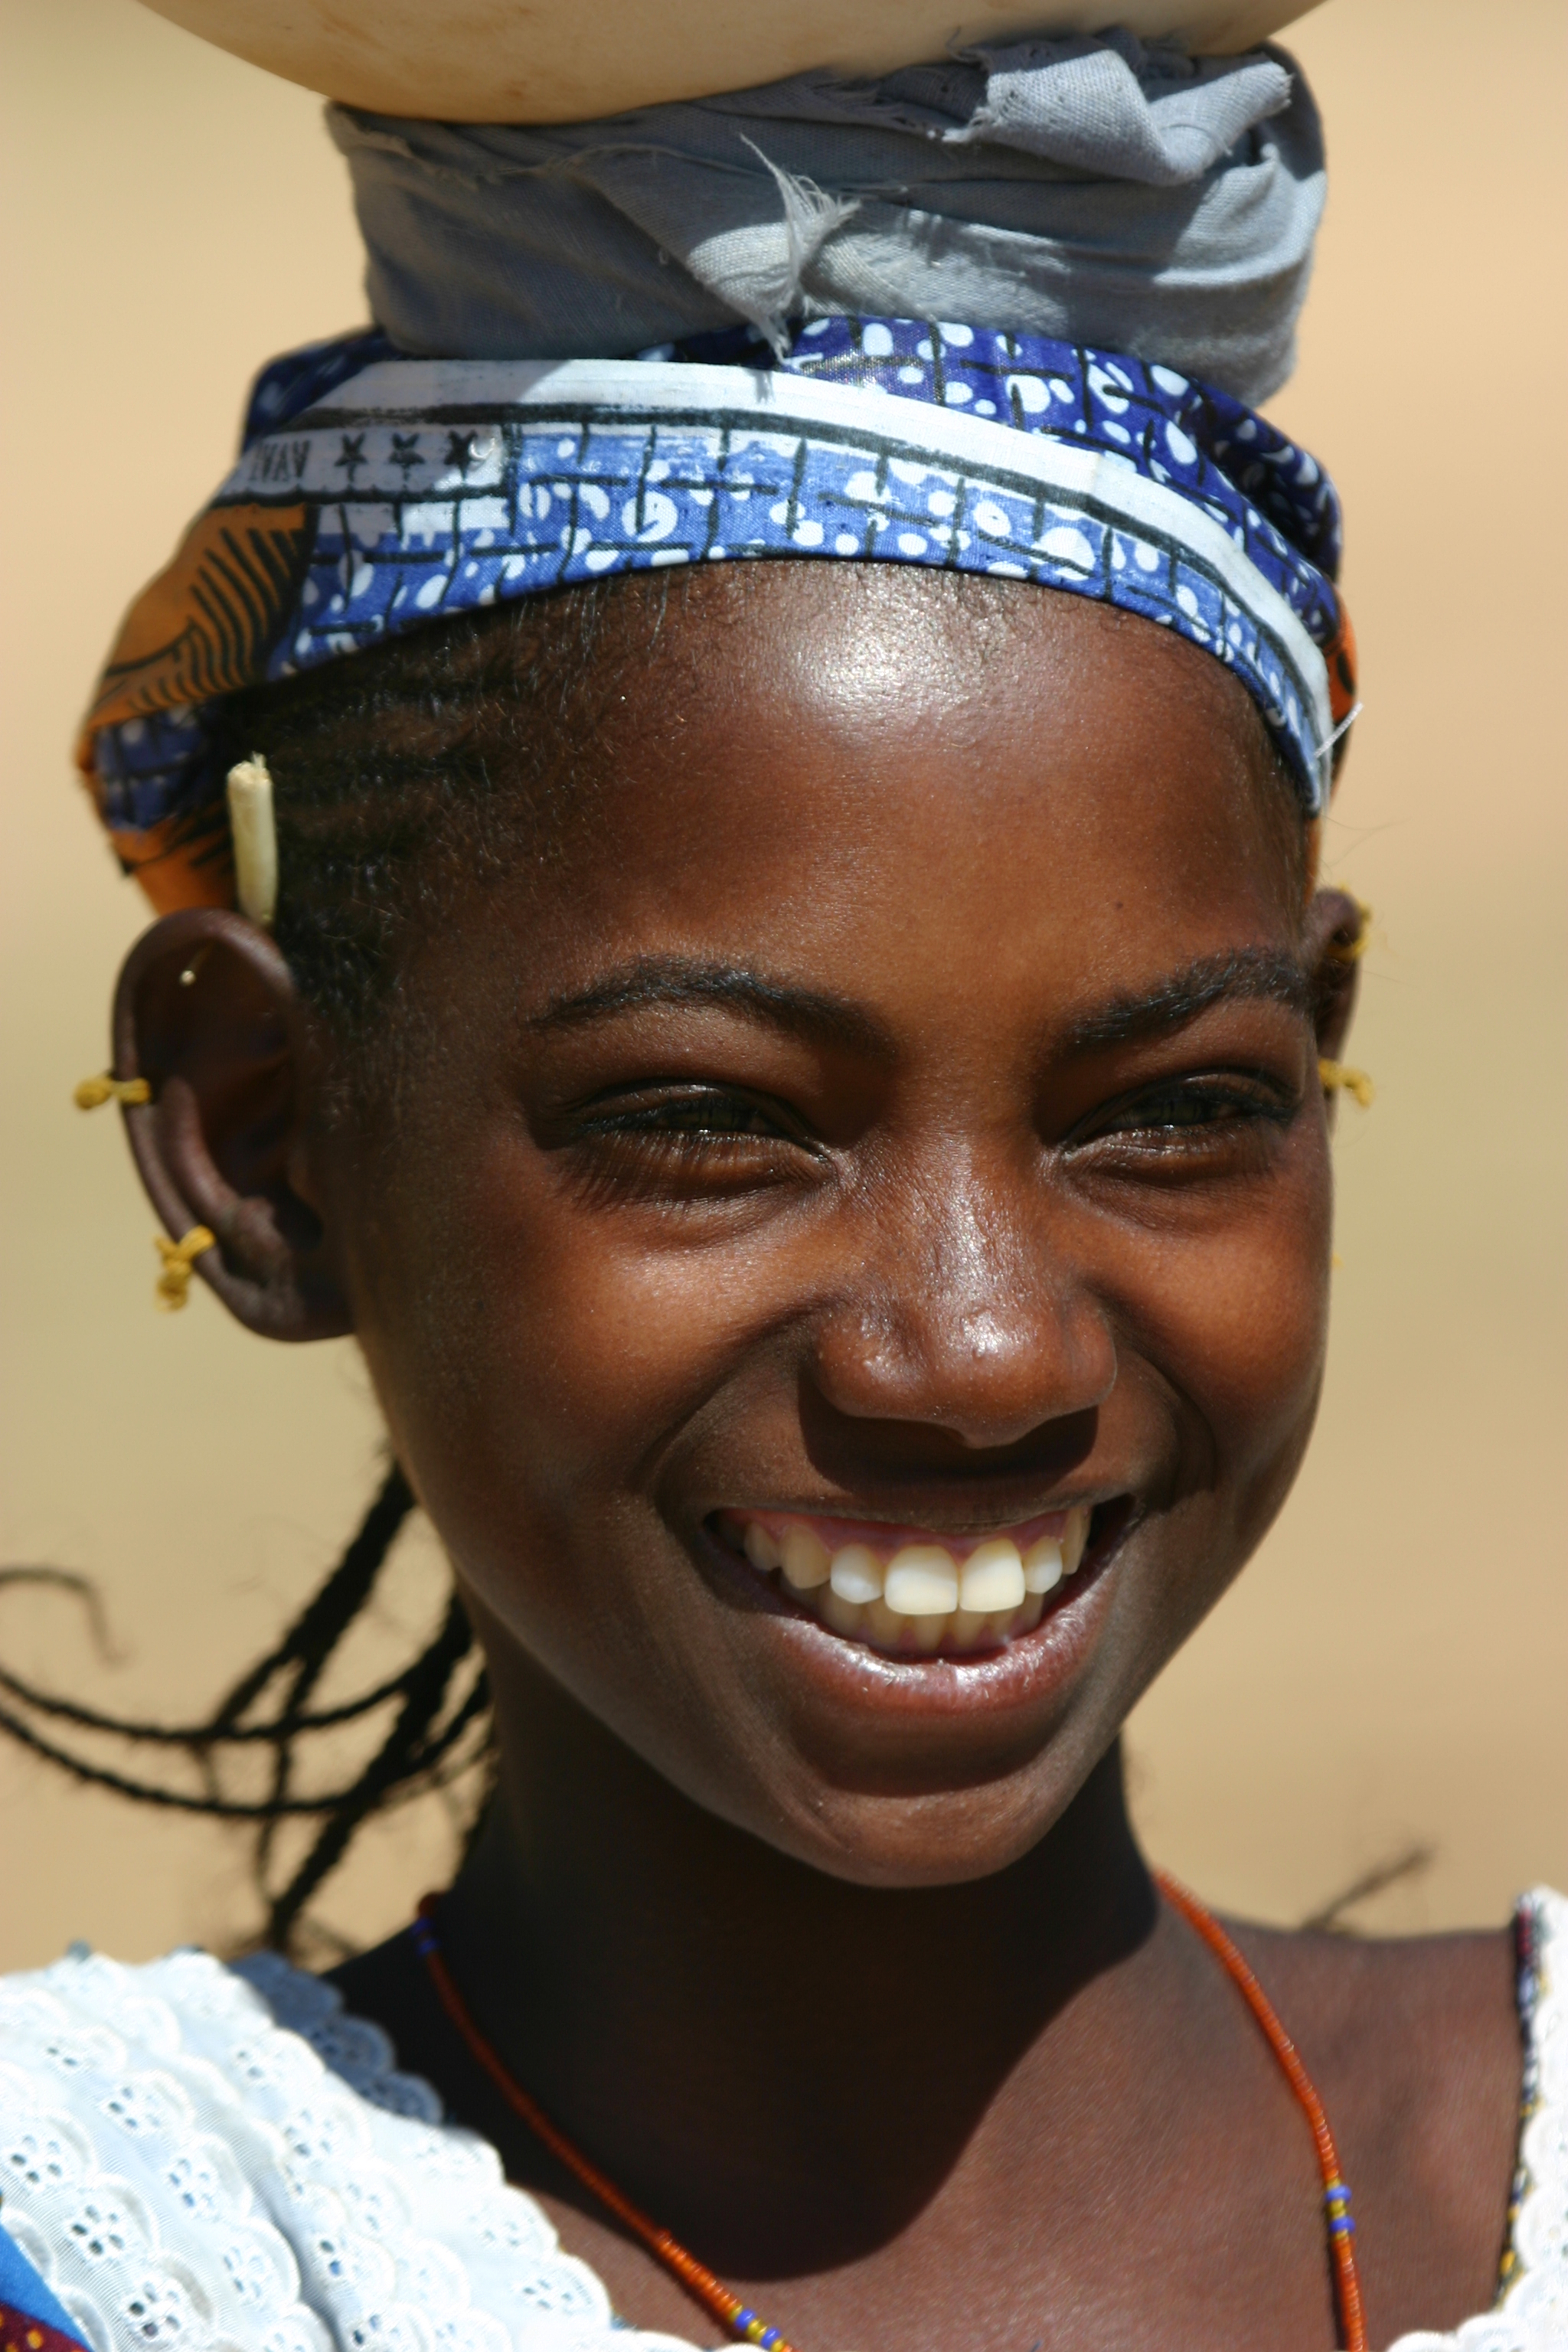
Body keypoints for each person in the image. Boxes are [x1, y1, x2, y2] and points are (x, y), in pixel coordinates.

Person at [0, 17, 1561, 2352]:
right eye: (713, 1122)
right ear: (263, 1137)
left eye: (1171, 1111)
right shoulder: (150, 2255)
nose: (984, 1345)